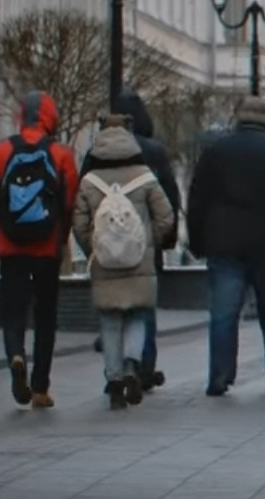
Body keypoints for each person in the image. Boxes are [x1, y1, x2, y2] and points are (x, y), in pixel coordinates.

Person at [187, 97, 265, 397]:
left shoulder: (216, 151)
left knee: (223, 313)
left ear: (239, 118)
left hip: (224, 243)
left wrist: (197, 240)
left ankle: (219, 376)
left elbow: (197, 198)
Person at [0, 91, 79, 408]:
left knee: (13, 312)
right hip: (47, 249)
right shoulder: (61, 155)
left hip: (11, 249)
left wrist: (3, 229)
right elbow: (69, 201)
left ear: (22, 116)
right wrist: (60, 237)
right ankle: (39, 387)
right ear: (50, 117)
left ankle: (16, 357)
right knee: (46, 316)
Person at [72, 115, 174, 409]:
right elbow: (166, 216)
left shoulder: (90, 181)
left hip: (104, 263)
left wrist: (93, 246)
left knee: (109, 321)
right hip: (139, 262)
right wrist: (148, 240)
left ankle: (114, 380)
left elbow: (78, 222)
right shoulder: (144, 175)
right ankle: (131, 367)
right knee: (137, 315)